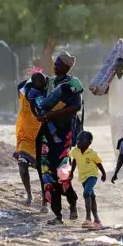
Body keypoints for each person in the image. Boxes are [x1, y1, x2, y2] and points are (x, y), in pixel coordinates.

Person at [38, 51, 84, 225]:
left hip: (65, 132)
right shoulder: (49, 82)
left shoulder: (73, 83)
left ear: (67, 66)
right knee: (47, 171)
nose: (55, 67)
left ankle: (72, 202)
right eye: (55, 64)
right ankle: (57, 214)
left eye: (58, 64)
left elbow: (76, 106)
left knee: (62, 172)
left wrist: (53, 114)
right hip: (47, 132)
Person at [13, 78, 44, 207]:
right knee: (22, 164)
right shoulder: (22, 94)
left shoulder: (43, 97)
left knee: (43, 170)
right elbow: (21, 86)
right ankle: (29, 194)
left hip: (41, 136)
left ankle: (45, 198)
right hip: (25, 137)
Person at [69, 131, 107, 229]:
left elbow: (99, 163)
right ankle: (97, 220)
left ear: (89, 142)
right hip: (83, 177)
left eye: (81, 140)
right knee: (92, 196)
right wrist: (72, 172)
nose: (78, 142)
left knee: (86, 193)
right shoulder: (75, 151)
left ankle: (88, 218)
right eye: (78, 140)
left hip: (92, 176)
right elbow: (74, 161)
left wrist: (103, 173)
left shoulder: (92, 153)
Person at [28, 72, 77, 144]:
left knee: (56, 96)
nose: (43, 84)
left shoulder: (44, 88)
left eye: (44, 81)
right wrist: (37, 116)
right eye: (41, 82)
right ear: (35, 83)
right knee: (47, 116)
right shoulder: (32, 93)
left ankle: (68, 90)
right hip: (42, 108)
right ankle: (54, 135)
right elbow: (32, 107)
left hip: (49, 104)